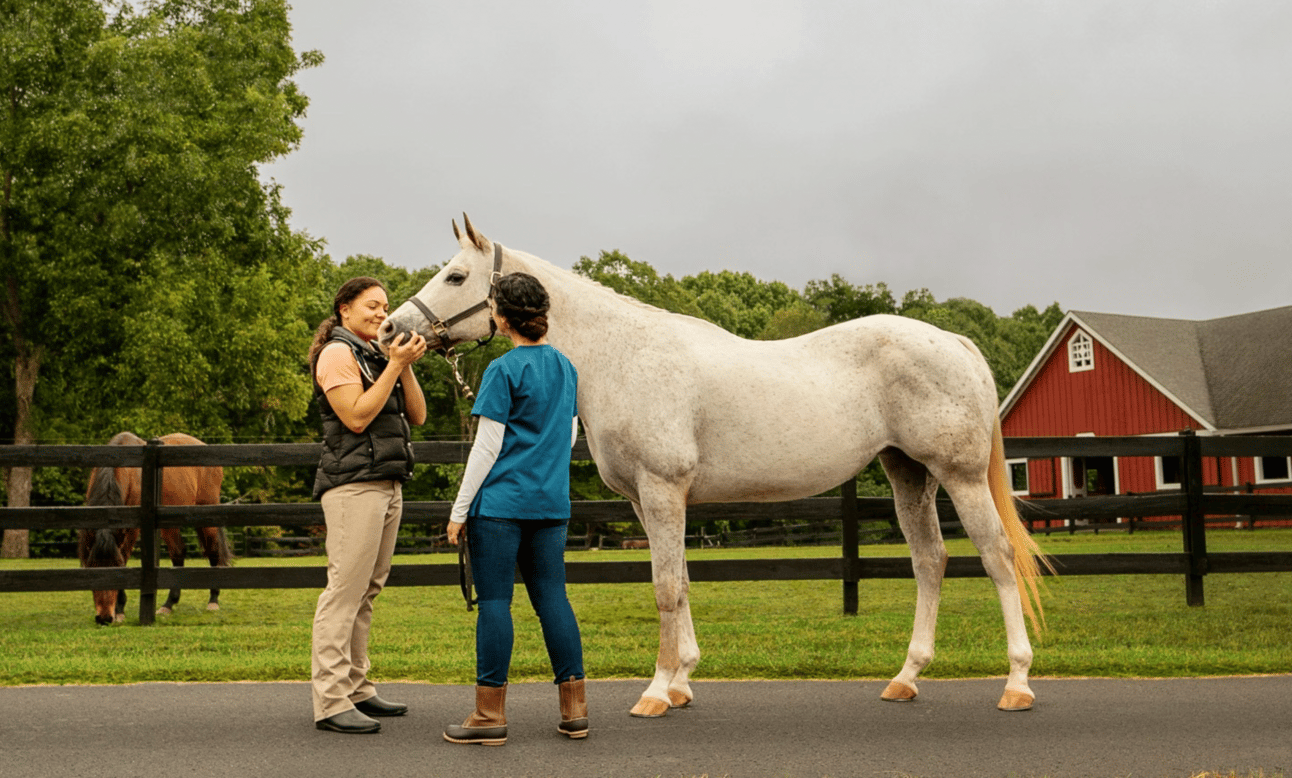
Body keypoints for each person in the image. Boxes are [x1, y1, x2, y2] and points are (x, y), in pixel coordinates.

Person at [443, 272, 587, 746]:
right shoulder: (566, 367)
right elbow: (568, 435)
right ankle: (574, 710)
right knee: (553, 601)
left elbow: (486, 448)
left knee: (496, 604)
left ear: (502, 318)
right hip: (551, 505)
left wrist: (459, 511)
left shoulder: (502, 371)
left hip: (502, 508)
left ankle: (489, 716)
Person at [308, 276, 428, 734]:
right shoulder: (337, 353)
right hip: (353, 487)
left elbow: (416, 416)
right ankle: (331, 700)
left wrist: (404, 363)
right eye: (372, 306)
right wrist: (394, 366)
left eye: (385, 307)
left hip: (388, 484)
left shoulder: (376, 353)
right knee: (343, 593)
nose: (381, 313)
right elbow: (356, 417)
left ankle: (357, 688)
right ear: (344, 309)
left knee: (367, 591)